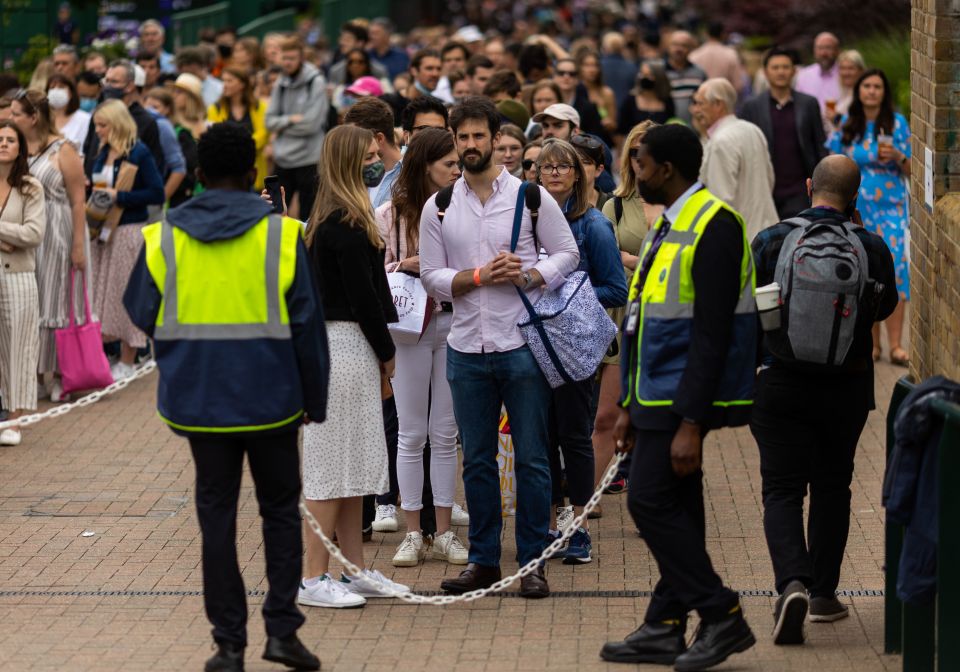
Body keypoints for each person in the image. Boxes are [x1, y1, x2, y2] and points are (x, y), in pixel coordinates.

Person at [122, 122, 326, 672]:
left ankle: (227, 644)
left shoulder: (165, 235)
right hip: (275, 399)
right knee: (279, 514)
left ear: (203, 176)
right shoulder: (282, 235)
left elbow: (141, 310)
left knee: (216, 518)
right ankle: (282, 631)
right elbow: (308, 326)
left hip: (199, 399)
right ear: (252, 173)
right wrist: (316, 400)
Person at [602, 122, 757, 669]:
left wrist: (692, 422)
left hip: (681, 395)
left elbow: (712, 331)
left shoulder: (715, 224)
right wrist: (627, 408)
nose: (635, 173)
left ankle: (722, 615)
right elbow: (646, 318)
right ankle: (664, 625)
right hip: (654, 392)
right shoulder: (671, 222)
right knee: (680, 507)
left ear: (666, 170)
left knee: (647, 499)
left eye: (641, 164)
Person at [419, 96, 580, 599]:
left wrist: (532, 275)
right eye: (461, 137)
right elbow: (430, 276)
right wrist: (477, 276)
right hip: (465, 347)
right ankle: (484, 560)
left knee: (533, 458)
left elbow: (567, 254)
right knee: (477, 461)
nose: (469, 145)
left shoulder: (530, 197)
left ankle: (532, 560)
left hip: (521, 344)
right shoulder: (440, 204)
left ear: (495, 139)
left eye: (477, 136)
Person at [749, 155, 898, 644]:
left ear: (810, 185)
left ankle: (791, 581)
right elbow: (886, 306)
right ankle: (824, 596)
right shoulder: (871, 247)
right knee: (834, 487)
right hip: (847, 385)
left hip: (780, 381)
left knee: (782, 489)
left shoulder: (772, 240)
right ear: (854, 197)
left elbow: (750, 306)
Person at [285, 124, 410, 608]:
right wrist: (388, 353)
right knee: (329, 463)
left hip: (343, 347)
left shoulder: (334, 220)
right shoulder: (346, 225)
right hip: (346, 347)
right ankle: (313, 576)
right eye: (368, 155)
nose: (376, 161)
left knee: (355, 460)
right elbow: (364, 300)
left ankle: (353, 570)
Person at [375, 128, 467, 567]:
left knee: (446, 433)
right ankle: (413, 531)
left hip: (454, 323)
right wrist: (405, 265)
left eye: (458, 164)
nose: (456, 170)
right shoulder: (388, 214)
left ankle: (445, 531)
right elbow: (377, 275)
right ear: (425, 165)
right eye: (448, 163)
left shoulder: (465, 208)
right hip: (408, 327)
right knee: (411, 432)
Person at [536, 137, 626, 564]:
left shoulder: (593, 225)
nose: (554, 172)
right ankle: (550, 524)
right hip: (530, 344)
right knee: (539, 437)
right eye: (546, 166)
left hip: (572, 346)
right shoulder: (524, 221)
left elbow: (616, 287)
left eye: (563, 166)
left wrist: (565, 291)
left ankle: (580, 527)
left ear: (578, 174)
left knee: (574, 435)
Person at [595, 121, 662, 500]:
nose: (641, 160)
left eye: (649, 152)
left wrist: (631, 257)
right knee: (607, 415)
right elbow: (606, 263)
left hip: (667, 318)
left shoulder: (680, 206)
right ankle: (584, 505)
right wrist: (634, 260)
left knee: (656, 416)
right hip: (623, 317)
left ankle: (652, 495)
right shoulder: (615, 204)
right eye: (635, 152)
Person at [827, 68, 912, 366]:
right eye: (867, 86)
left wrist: (899, 157)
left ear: (883, 92)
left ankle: (897, 346)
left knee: (897, 272)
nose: (872, 91)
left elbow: (914, 168)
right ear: (859, 91)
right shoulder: (849, 126)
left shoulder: (898, 124)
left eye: (877, 86)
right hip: (858, 208)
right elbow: (831, 165)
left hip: (893, 209)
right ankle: (873, 345)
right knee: (866, 271)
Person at [9, 90, 89, 402]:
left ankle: (57, 374)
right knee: (32, 300)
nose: (11, 118)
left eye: (17, 113)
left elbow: (78, 199)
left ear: (33, 117)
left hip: (57, 229)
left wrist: (79, 245)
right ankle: (35, 373)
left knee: (56, 300)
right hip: (26, 229)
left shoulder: (63, 148)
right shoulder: (16, 148)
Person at [87, 99, 164, 381]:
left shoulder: (138, 153)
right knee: (102, 294)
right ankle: (112, 353)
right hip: (102, 232)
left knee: (124, 292)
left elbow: (157, 193)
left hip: (128, 230)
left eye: (103, 125)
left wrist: (120, 197)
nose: (98, 130)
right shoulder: (102, 152)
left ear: (117, 124)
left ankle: (130, 356)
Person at [739, 47, 828, 220]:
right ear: (765, 72)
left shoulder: (808, 104)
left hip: (800, 190)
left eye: (785, 67)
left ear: (794, 71)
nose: (781, 72)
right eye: (775, 67)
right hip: (765, 189)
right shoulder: (752, 107)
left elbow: (819, 144)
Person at [0, 121, 45, 446]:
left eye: (10, 139)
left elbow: (33, 234)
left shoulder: (30, 187)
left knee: (19, 347)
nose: (3, 144)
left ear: (20, 148)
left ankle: (14, 419)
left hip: (17, 277)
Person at [693, 78, 778, 241]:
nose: (696, 110)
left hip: (741, 239)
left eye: (700, 103)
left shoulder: (720, 141)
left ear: (718, 104)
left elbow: (721, 201)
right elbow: (770, 179)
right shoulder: (753, 130)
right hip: (768, 232)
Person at [265, 36, 329, 222]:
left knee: (308, 217)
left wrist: (282, 126)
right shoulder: (280, 83)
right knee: (275, 212)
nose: (287, 62)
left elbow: (312, 125)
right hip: (283, 159)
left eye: (292, 58)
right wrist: (290, 120)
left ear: (301, 58)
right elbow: (269, 121)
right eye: (284, 58)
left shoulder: (315, 81)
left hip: (309, 159)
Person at [82, 60, 164, 179]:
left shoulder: (145, 121)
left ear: (130, 86)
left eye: (114, 82)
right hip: (95, 190)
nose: (108, 87)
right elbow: (88, 151)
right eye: (107, 81)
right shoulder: (99, 114)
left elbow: (154, 168)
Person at [207, 66, 269, 191]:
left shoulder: (259, 107)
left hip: (254, 170)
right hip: (225, 172)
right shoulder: (215, 109)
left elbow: (263, 133)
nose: (224, 85)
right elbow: (215, 136)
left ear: (242, 84)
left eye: (229, 81)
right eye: (223, 81)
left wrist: (239, 145)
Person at [344, 96, 402, 210]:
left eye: (356, 139)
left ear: (379, 138)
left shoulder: (412, 177)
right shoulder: (354, 172)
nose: (351, 145)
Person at [144, 87, 198, 208]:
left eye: (155, 107)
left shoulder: (179, 133)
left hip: (173, 200)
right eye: (147, 106)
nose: (150, 111)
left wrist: (162, 197)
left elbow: (182, 169)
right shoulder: (145, 129)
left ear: (167, 109)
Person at [553, 57, 608, 143]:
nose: (566, 77)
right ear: (554, 77)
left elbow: (597, 141)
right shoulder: (547, 104)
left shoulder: (590, 108)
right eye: (561, 73)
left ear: (578, 79)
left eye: (572, 74)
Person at [617, 60, 675, 135]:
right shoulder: (630, 100)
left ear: (659, 77)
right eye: (642, 74)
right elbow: (620, 131)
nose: (645, 78)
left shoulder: (667, 100)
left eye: (650, 75)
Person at [664, 30, 707, 126]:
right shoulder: (660, 72)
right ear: (668, 46)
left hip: (691, 130)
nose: (679, 49)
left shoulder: (699, 73)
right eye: (675, 44)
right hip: (663, 130)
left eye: (684, 45)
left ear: (691, 48)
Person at [689, 22, 746, 94]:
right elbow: (738, 85)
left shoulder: (694, 55)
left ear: (705, 33)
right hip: (723, 98)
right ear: (723, 34)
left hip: (701, 99)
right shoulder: (731, 54)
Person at [328, 22, 389, 86]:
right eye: (341, 39)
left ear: (360, 43)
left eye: (347, 40)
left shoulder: (378, 70)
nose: (342, 43)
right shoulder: (335, 70)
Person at [796, 32, 842, 117]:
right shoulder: (804, 75)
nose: (823, 53)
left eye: (828, 48)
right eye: (820, 48)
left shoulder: (845, 74)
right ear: (814, 51)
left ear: (837, 50)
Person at [578, 49, 617, 137]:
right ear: (579, 67)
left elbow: (614, 125)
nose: (592, 69)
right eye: (587, 65)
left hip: (600, 139)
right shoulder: (575, 91)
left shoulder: (606, 93)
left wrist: (608, 123)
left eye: (595, 65)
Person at [45, 74, 89, 151]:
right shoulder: (43, 119)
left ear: (71, 93)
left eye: (61, 87)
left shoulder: (85, 119)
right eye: (52, 87)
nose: (56, 90)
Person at [599, 32, 639, 110]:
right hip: (625, 109)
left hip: (604, 109)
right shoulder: (632, 67)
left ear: (604, 47)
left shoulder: (598, 66)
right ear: (622, 48)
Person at [835, 50, 866, 120]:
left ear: (861, 71)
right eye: (842, 68)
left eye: (851, 68)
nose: (846, 73)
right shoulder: (842, 92)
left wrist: (836, 118)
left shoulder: (864, 95)